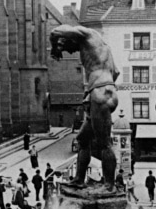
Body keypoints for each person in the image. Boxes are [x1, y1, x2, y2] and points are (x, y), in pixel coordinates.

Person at [50, 25, 120, 191]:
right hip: (103, 92)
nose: (71, 52)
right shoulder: (104, 48)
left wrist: (55, 47)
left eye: (67, 47)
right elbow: (115, 72)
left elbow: (55, 31)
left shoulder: (88, 34)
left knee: (104, 144)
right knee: (82, 139)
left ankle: (109, 185)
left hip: (100, 92)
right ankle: (79, 179)